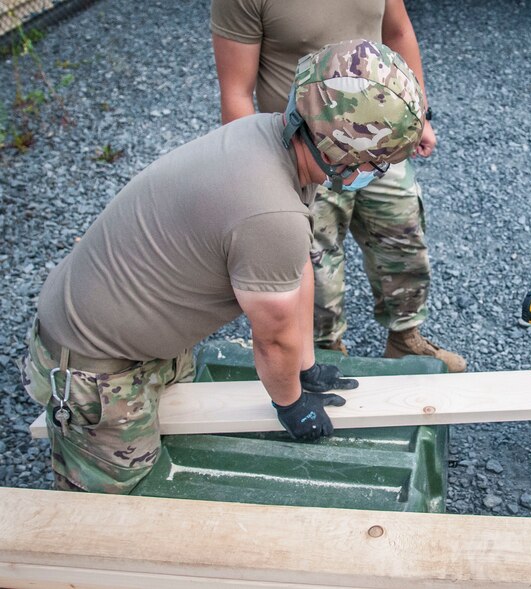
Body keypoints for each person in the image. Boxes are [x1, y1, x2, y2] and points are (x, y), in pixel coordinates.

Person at [21, 40, 425, 494]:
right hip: (94, 366)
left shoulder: (274, 138)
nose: (382, 172)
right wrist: (290, 402)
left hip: (134, 334)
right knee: (119, 500)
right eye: (379, 162)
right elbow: (271, 338)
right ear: (343, 153)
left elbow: (297, 267)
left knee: (180, 451)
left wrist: (307, 365)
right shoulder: (270, 213)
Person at [210, 0, 467, 373]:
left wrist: (418, 117)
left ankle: (405, 341)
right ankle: (323, 357)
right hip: (306, 151)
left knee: (403, 239)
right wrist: (258, 176)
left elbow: (398, 32)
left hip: (381, 138)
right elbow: (236, 92)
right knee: (313, 265)